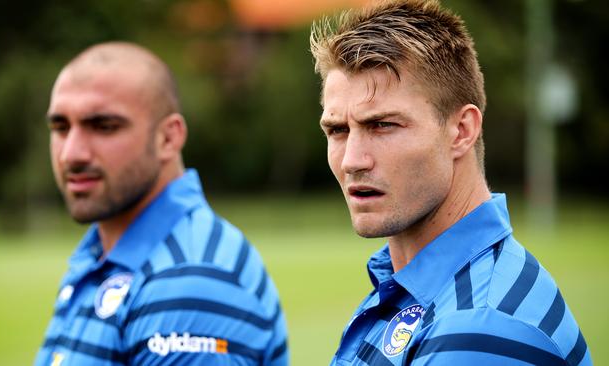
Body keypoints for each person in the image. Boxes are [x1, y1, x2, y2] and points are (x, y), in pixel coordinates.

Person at [310, 1, 591, 365]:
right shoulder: (410, 287)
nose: (351, 160)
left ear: (461, 131)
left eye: (382, 125)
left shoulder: (480, 328)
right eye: (337, 130)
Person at [35, 41, 288, 366]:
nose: (71, 153)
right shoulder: (101, 256)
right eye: (60, 127)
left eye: (104, 126)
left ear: (168, 138)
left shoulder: (189, 279)